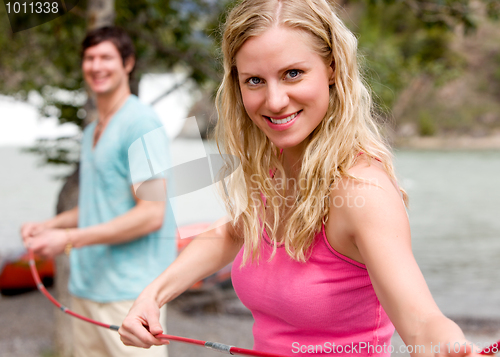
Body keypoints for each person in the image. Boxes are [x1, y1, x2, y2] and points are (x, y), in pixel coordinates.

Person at [118, 1, 482, 356]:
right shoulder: (275, 162)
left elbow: (422, 323)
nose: (275, 101)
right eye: (255, 81)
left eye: (293, 73)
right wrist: (152, 296)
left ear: (333, 69)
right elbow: (233, 232)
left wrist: (447, 347)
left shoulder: (363, 190)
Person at [21, 26, 176, 357]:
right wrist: (52, 225)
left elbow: (151, 213)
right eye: (89, 58)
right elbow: (100, 204)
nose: (96, 66)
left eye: (106, 57)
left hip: (131, 294)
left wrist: (68, 239)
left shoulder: (141, 124)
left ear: (128, 63)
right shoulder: (93, 129)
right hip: (86, 289)